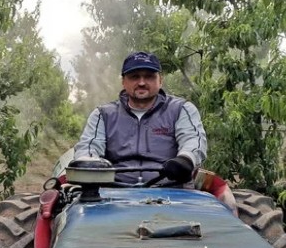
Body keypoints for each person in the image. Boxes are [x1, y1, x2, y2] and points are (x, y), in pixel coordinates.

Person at [74, 51, 207, 184]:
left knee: (224, 197)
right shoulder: (102, 114)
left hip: (172, 191)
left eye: (149, 77)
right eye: (134, 77)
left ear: (160, 81)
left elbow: (193, 140)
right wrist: (88, 161)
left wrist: (186, 159)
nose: (142, 83)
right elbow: (89, 146)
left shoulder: (182, 109)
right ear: (123, 82)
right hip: (114, 192)